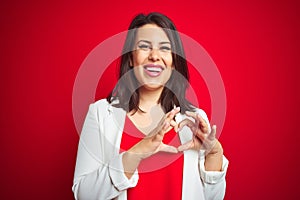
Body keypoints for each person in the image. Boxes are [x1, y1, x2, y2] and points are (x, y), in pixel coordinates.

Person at [72, 12, 229, 200]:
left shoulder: (194, 119)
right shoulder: (100, 114)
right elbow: (83, 195)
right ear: (130, 59)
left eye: (164, 48)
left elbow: (212, 198)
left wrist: (214, 152)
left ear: (173, 62)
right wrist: (138, 152)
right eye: (144, 47)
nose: (154, 56)